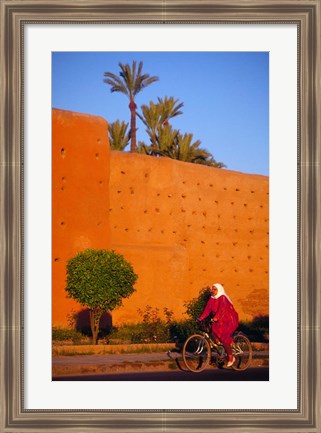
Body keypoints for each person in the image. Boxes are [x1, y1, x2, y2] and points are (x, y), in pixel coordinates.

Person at [197, 283, 239, 367]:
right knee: (212, 331)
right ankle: (225, 346)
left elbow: (222, 309)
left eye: (214, 289)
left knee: (224, 337)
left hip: (229, 319)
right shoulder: (212, 299)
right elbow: (207, 310)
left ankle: (231, 357)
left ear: (219, 290)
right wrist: (200, 318)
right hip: (219, 320)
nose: (212, 291)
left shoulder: (223, 297)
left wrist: (216, 317)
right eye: (212, 289)